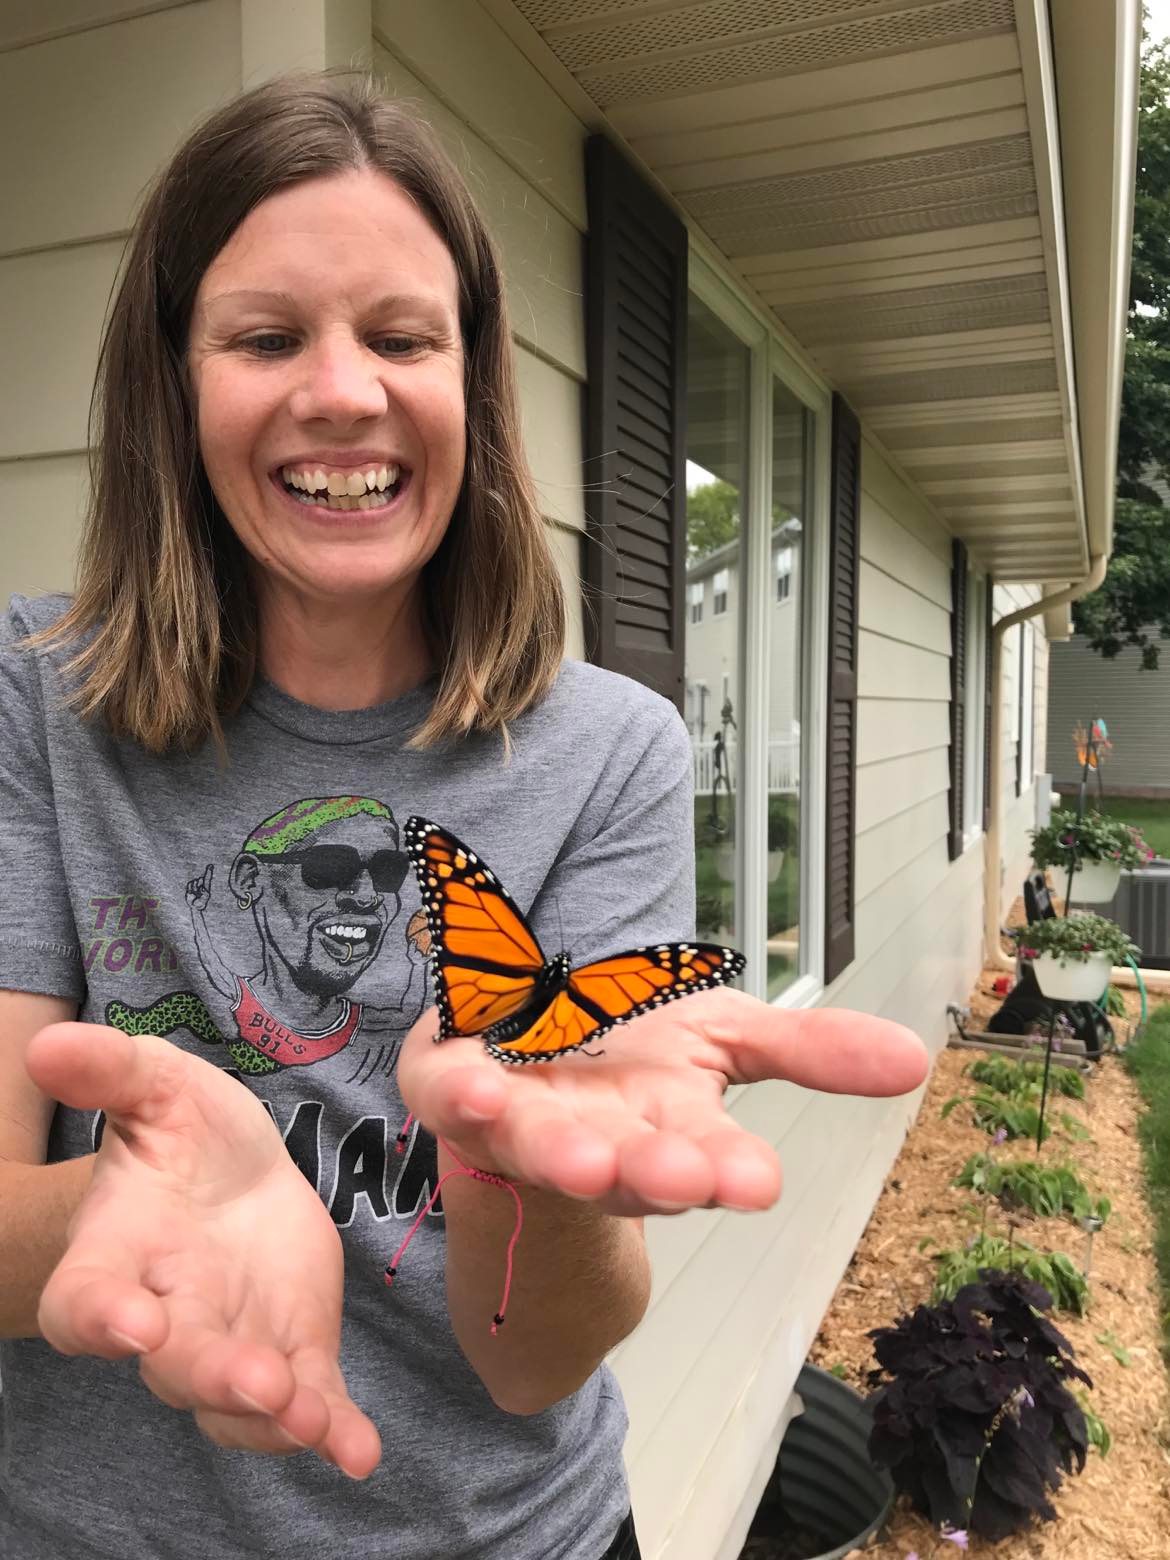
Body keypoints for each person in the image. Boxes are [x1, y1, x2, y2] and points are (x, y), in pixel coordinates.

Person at [0, 73, 928, 1560]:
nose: (344, 391)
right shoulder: (33, 703)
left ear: (470, 381)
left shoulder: (610, 751)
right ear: (171, 385)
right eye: (263, 336)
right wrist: (123, 1195)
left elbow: (533, 1357)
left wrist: (523, 1170)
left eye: (399, 336)